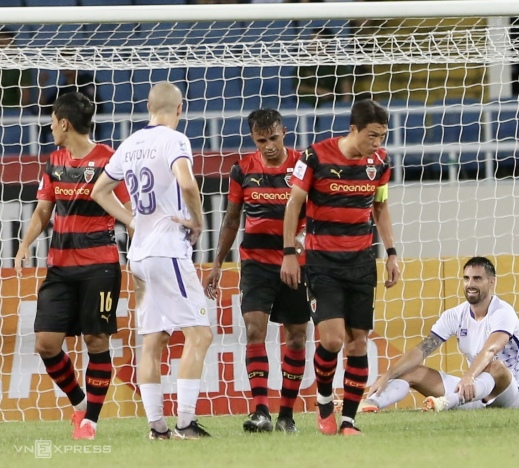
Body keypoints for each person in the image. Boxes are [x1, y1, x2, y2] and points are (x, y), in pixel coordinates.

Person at [91, 82, 213, 440]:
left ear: (148, 106)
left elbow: (99, 190)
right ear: (180, 108)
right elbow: (187, 184)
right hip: (168, 251)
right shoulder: (175, 140)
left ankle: (156, 428)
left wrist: (130, 221)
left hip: (140, 256)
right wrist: (199, 220)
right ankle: (187, 423)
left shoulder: (128, 144)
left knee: (151, 341)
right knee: (200, 335)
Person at [281, 99, 401, 436]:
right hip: (323, 262)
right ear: (354, 130)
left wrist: (391, 252)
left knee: (358, 343)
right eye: (372, 136)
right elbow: (294, 205)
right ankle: (322, 400)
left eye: (382, 136)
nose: (377, 143)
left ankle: (348, 420)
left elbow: (381, 207)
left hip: (362, 261)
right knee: (332, 341)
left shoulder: (380, 161)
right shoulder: (315, 157)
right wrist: (289, 251)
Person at [14, 92, 130, 440]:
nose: (49, 126)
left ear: (64, 123)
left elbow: (128, 211)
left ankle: (90, 422)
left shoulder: (110, 160)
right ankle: (80, 404)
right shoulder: (54, 161)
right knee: (46, 344)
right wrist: (24, 243)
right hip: (60, 268)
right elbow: (42, 210)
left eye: (52, 121)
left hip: (100, 266)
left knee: (96, 340)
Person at [203, 109, 309, 433]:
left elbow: (315, 211)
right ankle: (261, 411)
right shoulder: (243, 169)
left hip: (296, 263)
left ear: (285, 132)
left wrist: (302, 241)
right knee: (253, 329)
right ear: (253, 138)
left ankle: (287, 415)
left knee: (296, 336)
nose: (269, 146)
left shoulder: (303, 165)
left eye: (274, 138)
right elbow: (232, 219)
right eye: (262, 140)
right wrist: (218, 263)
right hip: (255, 262)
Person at [360, 257, 519, 413]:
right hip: (473, 390)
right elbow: (423, 348)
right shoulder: (455, 315)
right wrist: (387, 376)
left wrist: (469, 376)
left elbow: (491, 350)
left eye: (477, 279)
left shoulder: (503, 312)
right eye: (466, 278)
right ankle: (371, 403)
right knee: (412, 371)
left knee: (496, 366)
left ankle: (447, 402)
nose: (470, 284)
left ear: (492, 282)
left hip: (511, 394)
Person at [295, 27, 353, 107]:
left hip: (331, 102)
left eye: (315, 40)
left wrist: (343, 106)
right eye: (310, 39)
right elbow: (298, 87)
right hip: (308, 102)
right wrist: (318, 90)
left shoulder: (336, 62)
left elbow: (346, 88)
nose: (311, 43)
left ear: (326, 43)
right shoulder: (303, 62)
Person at [0, 27, 34, 111]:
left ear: (12, 42)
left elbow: (25, 95)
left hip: (13, 111)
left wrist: (20, 112)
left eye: (2, 43)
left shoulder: (21, 64)